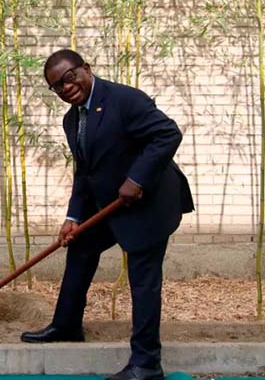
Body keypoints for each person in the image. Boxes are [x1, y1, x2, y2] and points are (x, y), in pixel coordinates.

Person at [21, 49, 193, 380]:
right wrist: (74, 216)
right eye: (57, 86)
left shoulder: (124, 99)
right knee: (81, 247)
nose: (66, 87)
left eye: (69, 77)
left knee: (143, 281)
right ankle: (67, 325)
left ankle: (146, 363)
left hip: (151, 204)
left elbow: (168, 134)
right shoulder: (72, 120)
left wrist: (137, 178)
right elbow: (85, 172)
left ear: (86, 68)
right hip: (113, 205)